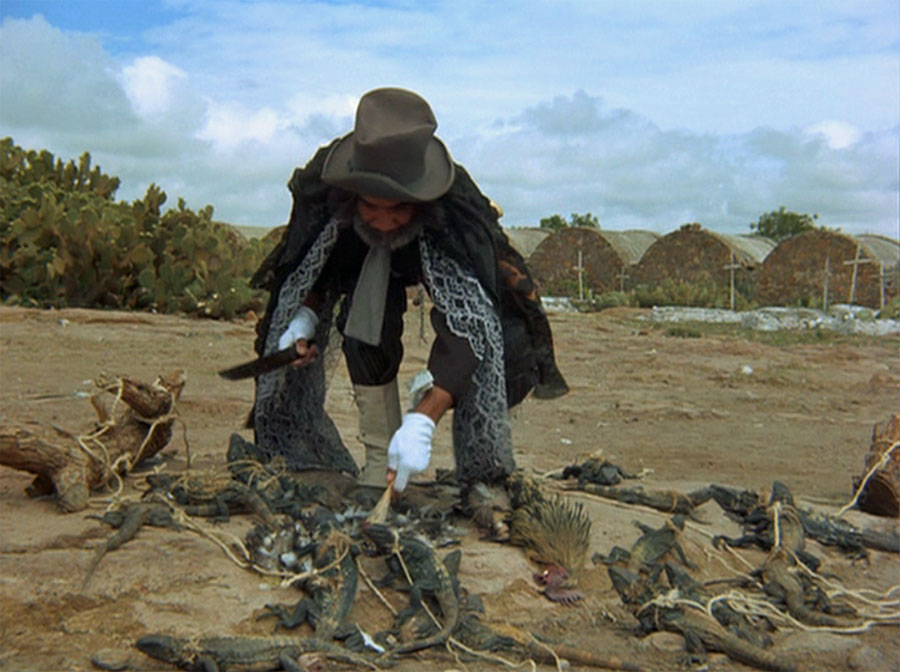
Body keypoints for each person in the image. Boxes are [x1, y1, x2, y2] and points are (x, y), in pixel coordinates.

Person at [248, 87, 568, 493]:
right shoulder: (330, 197)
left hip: (444, 254)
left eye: (397, 208)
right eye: (370, 207)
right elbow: (317, 266)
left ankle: (471, 472)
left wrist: (423, 419)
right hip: (361, 255)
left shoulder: (456, 219)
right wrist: (303, 320)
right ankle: (379, 461)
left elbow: (468, 328)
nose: (383, 222)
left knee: (497, 337)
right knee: (365, 326)